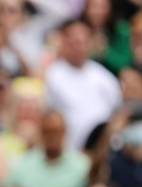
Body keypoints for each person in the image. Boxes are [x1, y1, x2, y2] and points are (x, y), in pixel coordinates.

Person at [46, 19, 122, 150]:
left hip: (102, 152)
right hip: (69, 152)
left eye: (83, 42)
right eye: (74, 42)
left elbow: (118, 111)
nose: (79, 47)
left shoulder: (104, 76)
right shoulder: (52, 75)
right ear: (64, 42)